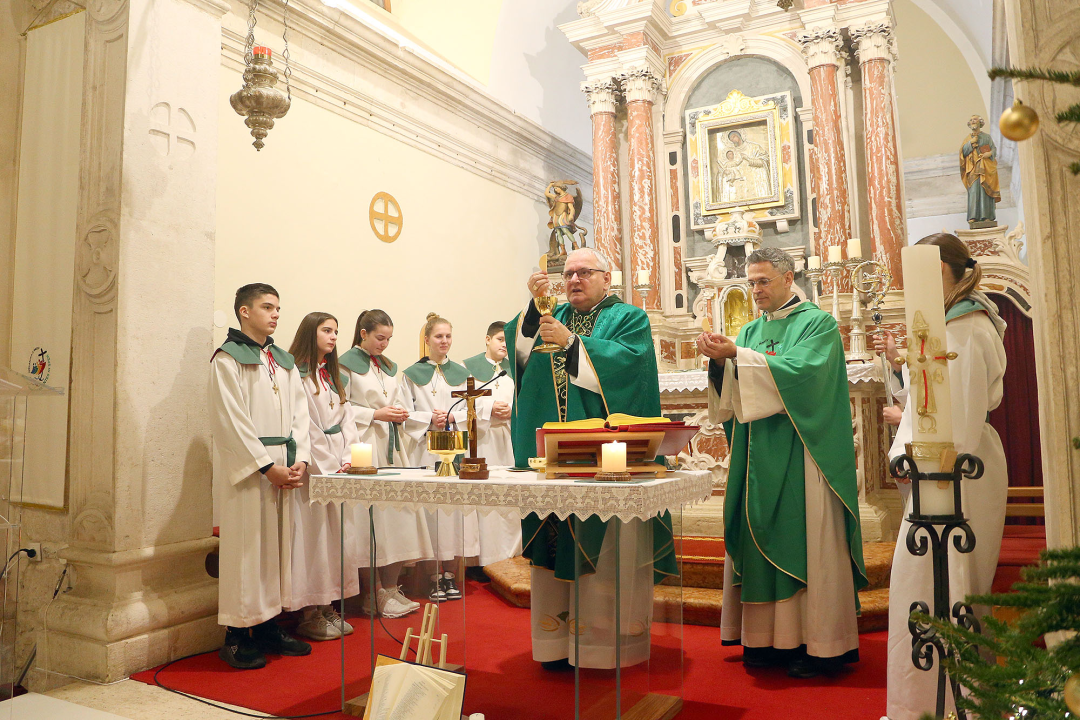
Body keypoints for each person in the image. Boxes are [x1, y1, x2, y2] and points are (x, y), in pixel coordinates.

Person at [696, 247, 867, 679]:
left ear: (789, 278)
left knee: (806, 538)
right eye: (751, 282)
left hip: (801, 453)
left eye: (763, 281)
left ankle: (815, 645)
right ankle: (764, 641)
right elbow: (734, 395)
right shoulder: (750, 330)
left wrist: (739, 356)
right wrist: (721, 364)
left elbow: (806, 376)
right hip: (757, 456)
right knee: (757, 538)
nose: (755, 290)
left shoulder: (819, 323)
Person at [506, 247, 676, 670]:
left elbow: (633, 368)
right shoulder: (551, 313)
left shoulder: (627, 317)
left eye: (585, 272)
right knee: (554, 539)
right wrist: (533, 309)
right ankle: (555, 643)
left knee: (602, 547)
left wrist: (574, 344)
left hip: (604, 459)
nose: (574, 280)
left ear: (606, 277)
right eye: (568, 274)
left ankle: (602, 645)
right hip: (551, 459)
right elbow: (519, 358)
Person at [880, 234, 1008, 720]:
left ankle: (961, 704)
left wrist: (909, 443)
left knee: (953, 589)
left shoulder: (967, 327)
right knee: (921, 590)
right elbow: (933, 402)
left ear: (956, 272)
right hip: (938, 470)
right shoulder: (943, 326)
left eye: (928, 273)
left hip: (958, 475)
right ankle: (922, 704)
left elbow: (963, 419)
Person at [210, 283, 313, 669]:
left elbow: (300, 413)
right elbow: (230, 420)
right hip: (252, 471)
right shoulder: (227, 359)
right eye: (267, 307)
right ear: (244, 312)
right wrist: (266, 467)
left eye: (278, 309)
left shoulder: (282, 360)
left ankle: (268, 625)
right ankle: (236, 634)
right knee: (248, 551)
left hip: (284, 466)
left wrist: (299, 456)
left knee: (276, 550)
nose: (275, 314)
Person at [339, 309, 430, 619]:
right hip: (366, 447)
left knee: (398, 517)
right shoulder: (345, 365)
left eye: (389, 339)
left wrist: (399, 413)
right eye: (380, 338)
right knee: (371, 520)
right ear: (362, 333)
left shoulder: (388, 367)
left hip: (392, 447)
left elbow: (395, 399)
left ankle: (391, 589)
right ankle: (372, 593)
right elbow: (337, 407)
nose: (385, 344)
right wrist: (374, 414)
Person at [287, 312, 361, 640]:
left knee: (335, 541)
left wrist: (349, 459)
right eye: (326, 330)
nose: (333, 337)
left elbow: (347, 421)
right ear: (310, 333)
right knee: (313, 541)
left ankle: (329, 603)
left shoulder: (331, 376)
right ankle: (309, 612)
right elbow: (304, 426)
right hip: (314, 471)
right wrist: (327, 466)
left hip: (337, 467)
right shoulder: (297, 374)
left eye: (335, 331)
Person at [401, 313, 479, 601]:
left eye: (448, 336)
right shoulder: (411, 375)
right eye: (438, 336)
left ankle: (450, 574)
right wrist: (427, 417)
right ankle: (432, 575)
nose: (444, 341)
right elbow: (402, 411)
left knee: (452, 512)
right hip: (426, 449)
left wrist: (452, 416)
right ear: (426, 340)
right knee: (431, 512)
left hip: (455, 449)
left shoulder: (462, 372)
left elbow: (472, 411)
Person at [463, 321, 522, 566]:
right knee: (483, 496)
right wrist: (488, 408)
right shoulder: (469, 368)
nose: (504, 346)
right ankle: (480, 558)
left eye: (508, 341)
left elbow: (524, 399)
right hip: (482, 441)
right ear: (487, 340)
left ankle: (510, 553)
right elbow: (461, 401)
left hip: (508, 439)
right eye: (500, 339)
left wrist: (512, 410)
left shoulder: (515, 370)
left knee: (508, 495)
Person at [960, 115, 1001, 227]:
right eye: (971, 120)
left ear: (980, 123)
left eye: (975, 120)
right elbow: (962, 152)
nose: (973, 121)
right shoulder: (967, 139)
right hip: (973, 169)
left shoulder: (986, 137)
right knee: (973, 191)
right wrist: (970, 143)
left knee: (985, 190)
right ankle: (973, 216)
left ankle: (987, 216)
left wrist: (989, 153)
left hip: (985, 168)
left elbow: (993, 149)